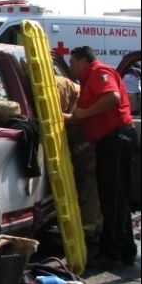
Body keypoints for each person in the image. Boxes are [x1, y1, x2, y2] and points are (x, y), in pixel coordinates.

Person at [64, 46, 138, 267]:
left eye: (72, 62)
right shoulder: (89, 78)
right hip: (113, 140)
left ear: (82, 61)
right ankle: (125, 249)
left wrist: (83, 114)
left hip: (116, 140)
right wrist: (73, 117)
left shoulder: (98, 72)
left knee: (113, 199)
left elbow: (113, 97)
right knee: (117, 198)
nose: (70, 67)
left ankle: (111, 252)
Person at [56, 75, 102, 245]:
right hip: (85, 144)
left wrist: (64, 117)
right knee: (90, 187)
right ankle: (92, 232)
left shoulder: (59, 87)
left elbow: (69, 118)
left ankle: (87, 235)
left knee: (88, 185)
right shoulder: (64, 85)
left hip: (86, 144)